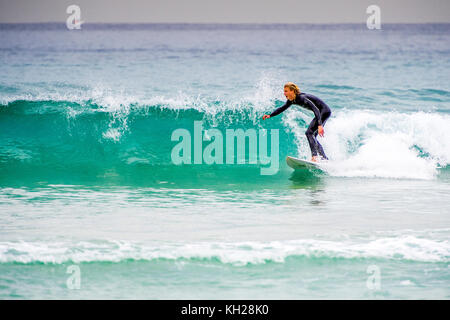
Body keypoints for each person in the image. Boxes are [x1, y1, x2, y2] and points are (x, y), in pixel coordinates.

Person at [262, 82, 332, 162]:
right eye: (284, 91)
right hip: (322, 113)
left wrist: (320, 125)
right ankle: (324, 158)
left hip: (324, 112)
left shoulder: (301, 98)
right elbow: (282, 108)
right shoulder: (291, 100)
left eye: (286, 91)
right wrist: (270, 115)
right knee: (313, 136)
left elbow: (315, 109)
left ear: (292, 91)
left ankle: (314, 157)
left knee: (309, 133)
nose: (284, 93)